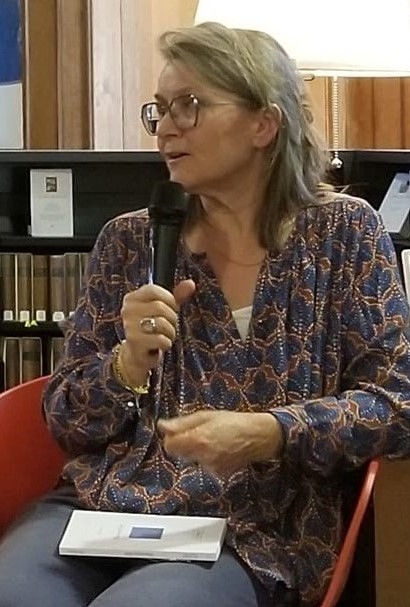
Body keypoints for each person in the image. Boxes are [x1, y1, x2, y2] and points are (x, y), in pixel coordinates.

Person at [1, 20, 410, 607]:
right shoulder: (129, 241)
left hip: (251, 526)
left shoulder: (344, 234)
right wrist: (125, 366)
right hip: (101, 509)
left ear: (264, 124)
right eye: (160, 110)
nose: (167, 128)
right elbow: (66, 421)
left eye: (189, 105)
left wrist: (271, 432)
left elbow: (396, 403)